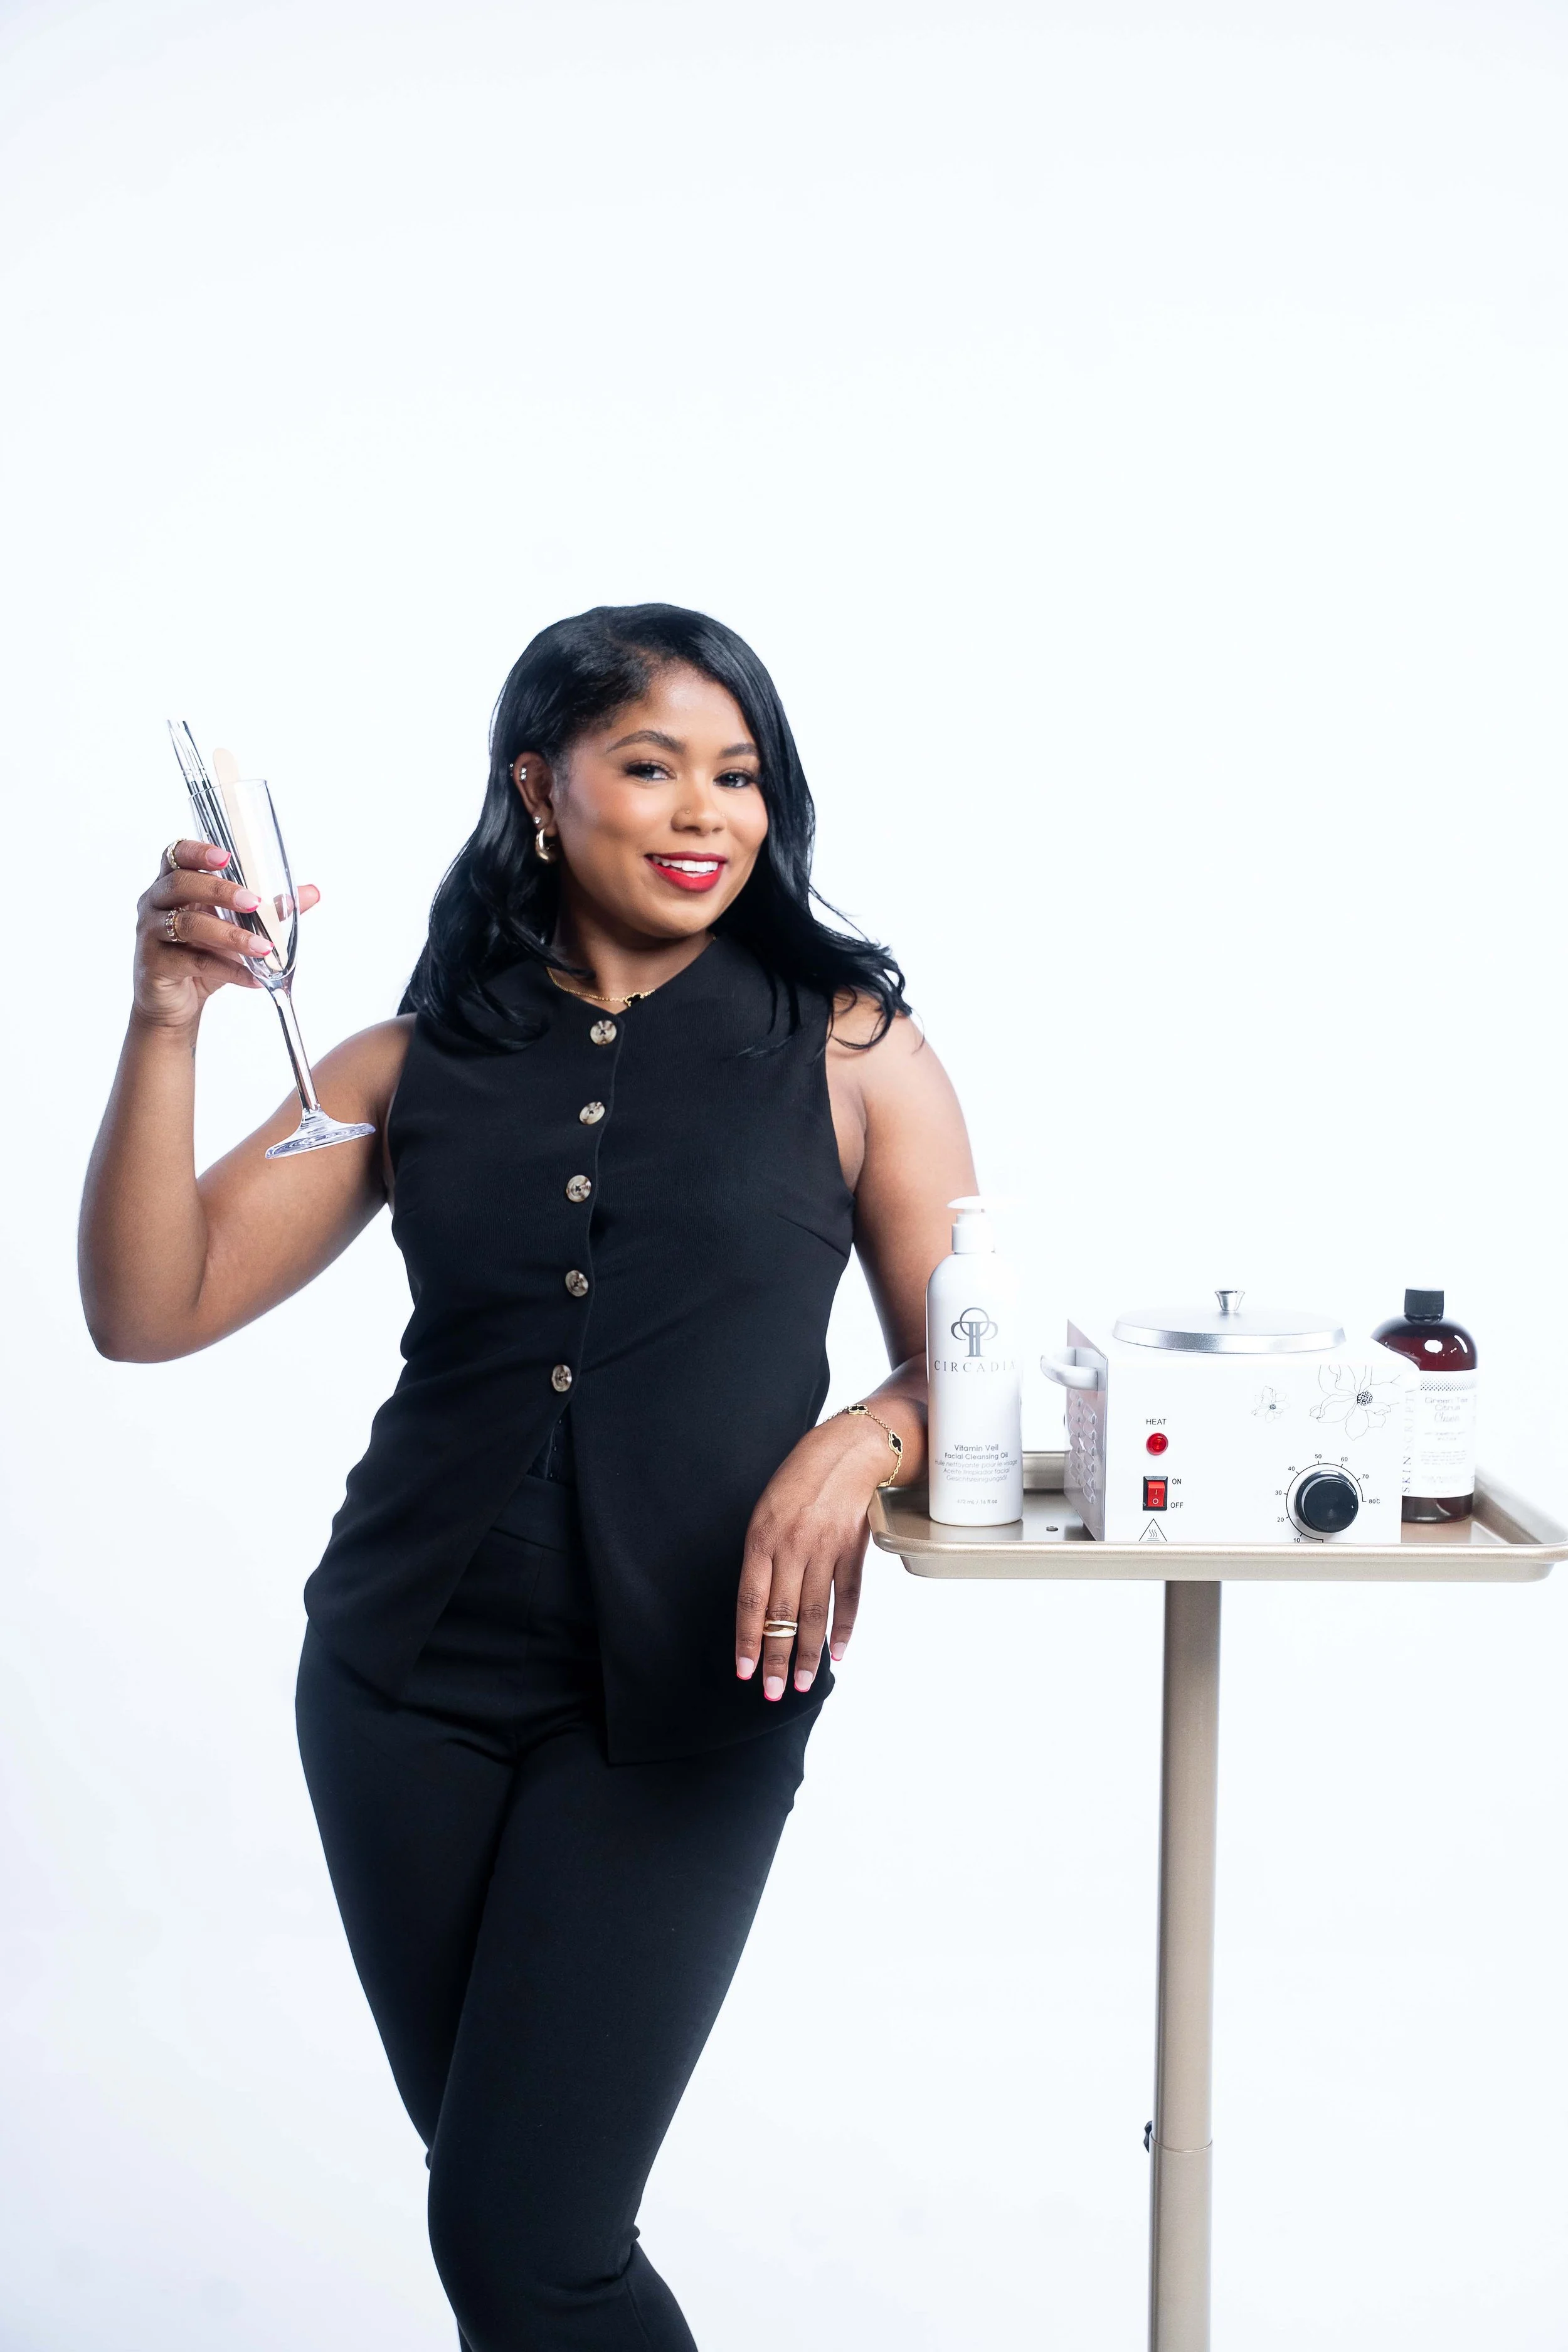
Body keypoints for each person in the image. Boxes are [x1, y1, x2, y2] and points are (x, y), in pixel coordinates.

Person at [79, 604, 977, 2351]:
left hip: (693, 1697)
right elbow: (146, 1307)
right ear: (537, 790)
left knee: (527, 2236)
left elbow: (982, 1367)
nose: (704, 811)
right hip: (398, 1685)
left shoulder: (852, 1047)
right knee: (502, 2221)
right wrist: (165, 1015)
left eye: (739, 775)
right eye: (650, 765)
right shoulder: (408, 1062)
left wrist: (857, 1442)